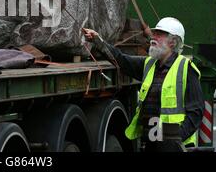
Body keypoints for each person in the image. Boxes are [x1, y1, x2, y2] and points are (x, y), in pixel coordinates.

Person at [82, 17, 204, 152]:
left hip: (175, 146)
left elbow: (196, 113)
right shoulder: (149, 64)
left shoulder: (186, 69)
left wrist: (176, 140)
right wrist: (98, 42)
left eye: (159, 34)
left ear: (173, 42)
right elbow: (121, 60)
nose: (153, 37)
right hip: (152, 141)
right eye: (154, 33)